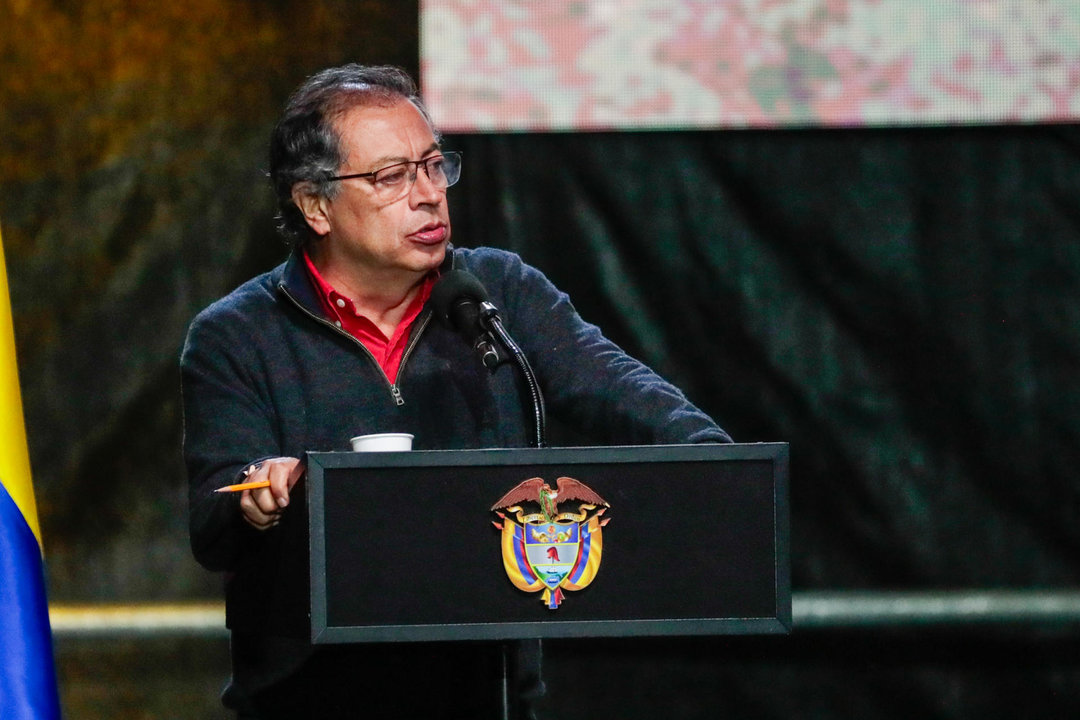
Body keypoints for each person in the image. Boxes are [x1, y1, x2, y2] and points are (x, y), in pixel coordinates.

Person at [181, 64, 731, 718]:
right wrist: (257, 495)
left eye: (434, 166)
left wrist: (719, 464)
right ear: (315, 205)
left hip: (486, 692)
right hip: (312, 699)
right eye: (392, 177)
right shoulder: (237, 334)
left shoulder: (494, 294)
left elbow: (617, 387)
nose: (428, 194)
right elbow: (214, 520)